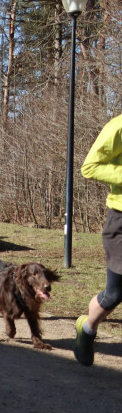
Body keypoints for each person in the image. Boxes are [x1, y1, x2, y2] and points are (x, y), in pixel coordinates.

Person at [74, 116, 122, 366]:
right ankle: (88, 328)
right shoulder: (118, 126)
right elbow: (90, 167)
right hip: (121, 221)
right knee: (115, 293)